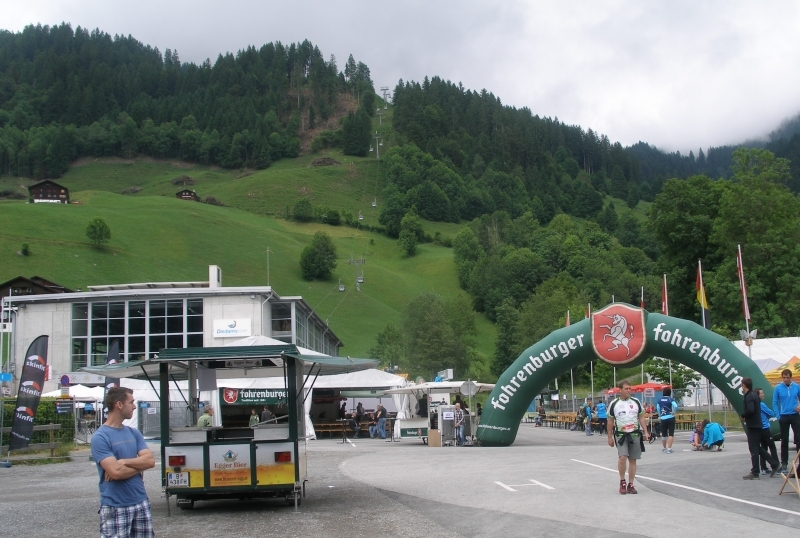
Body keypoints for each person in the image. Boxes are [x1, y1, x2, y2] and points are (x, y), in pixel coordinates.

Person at [90, 387, 156, 538]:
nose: (134, 406)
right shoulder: (100, 437)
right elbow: (116, 472)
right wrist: (139, 466)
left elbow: (150, 461)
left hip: (141, 502)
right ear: (119, 405)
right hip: (115, 507)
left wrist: (124, 461)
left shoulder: (134, 433)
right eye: (131, 402)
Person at [607, 381, 649, 494]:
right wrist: (609, 437)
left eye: (630, 388)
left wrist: (646, 431)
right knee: (623, 457)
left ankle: (631, 483)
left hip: (634, 433)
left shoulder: (636, 402)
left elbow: (641, 417)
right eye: (626, 389)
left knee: (633, 459)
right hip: (621, 435)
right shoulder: (614, 403)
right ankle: (622, 481)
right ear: (620, 390)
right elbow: (610, 421)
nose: (629, 390)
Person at [741, 378, 780, 479]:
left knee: (753, 448)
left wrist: (743, 415)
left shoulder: (749, 396)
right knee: (757, 447)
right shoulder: (755, 396)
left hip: (753, 425)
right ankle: (774, 464)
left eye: (742, 385)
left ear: (744, 385)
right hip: (758, 424)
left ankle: (755, 472)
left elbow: (750, 409)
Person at [772, 368, 800, 475]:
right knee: (784, 440)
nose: (785, 379)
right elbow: (775, 402)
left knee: (798, 439)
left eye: (787, 377)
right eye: (784, 377)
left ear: (790, 377)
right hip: (784, 416)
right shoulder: (778, 388)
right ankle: (784, 464)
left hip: (795, 415)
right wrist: (778, 415)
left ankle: (799, 464)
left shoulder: (796, 386)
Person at [757, 388, 780, 476]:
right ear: (758, 395)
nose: (763, 394)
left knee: (763, 448)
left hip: (759, 429)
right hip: (765, 428)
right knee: (772, 447)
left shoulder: (755, 405)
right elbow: (771, 413)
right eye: (761, 393)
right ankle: (776, 465)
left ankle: (763, 467)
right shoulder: (761, 404)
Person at [657, 387, 678, 454]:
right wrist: (674, 412)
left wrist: (660, 414)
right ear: (670, 393)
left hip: (663, 418)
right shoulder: (670, 399)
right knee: (671, 433)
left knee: (664, 433)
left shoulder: (659, 400)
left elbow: (658, 407)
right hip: (670, 417)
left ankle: (664, 448)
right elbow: (676, 406)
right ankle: (669, 449)